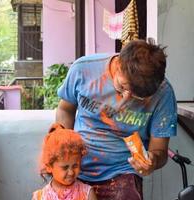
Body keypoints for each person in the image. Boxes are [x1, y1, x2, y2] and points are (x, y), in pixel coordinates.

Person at [56, 39, 177, 200]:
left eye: (137, 96)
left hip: (123, 171)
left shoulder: (163, 93)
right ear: (118, 63)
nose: (125, 99)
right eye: (123, 87)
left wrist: (152, 161)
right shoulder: (83, 69)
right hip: (75, 165)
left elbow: (160, 150)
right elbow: (66, 109)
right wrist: (60, 142)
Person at [32, 123, 97, 200]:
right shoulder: (40, 197)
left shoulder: (87, 193)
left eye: (75, 166)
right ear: (49, 167)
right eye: (65, 167)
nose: (71, 172)